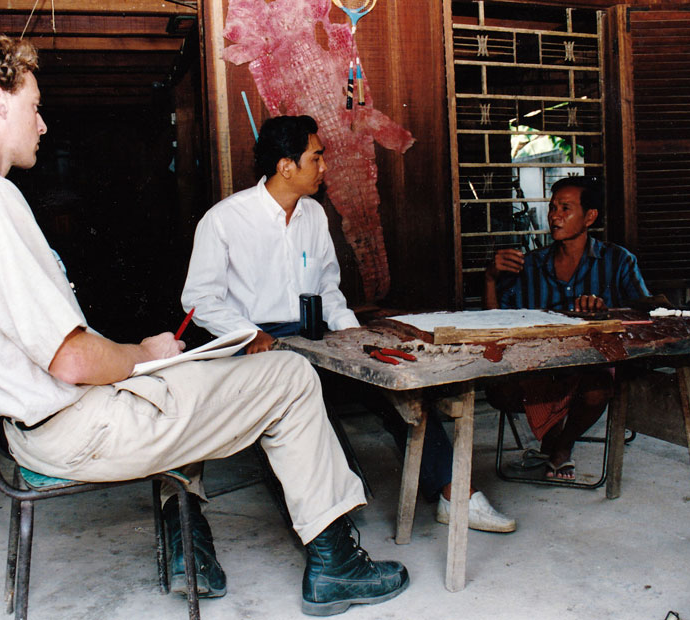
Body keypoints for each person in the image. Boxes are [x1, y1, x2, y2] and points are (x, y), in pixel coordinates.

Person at [0, 33, 409, 617]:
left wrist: (157, 361)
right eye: (34, 106)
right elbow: (72, 359)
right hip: (80, 428)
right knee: (289, 378)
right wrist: (144, 353)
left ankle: (188, 543)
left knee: (194, 377)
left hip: (41, 426)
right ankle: (336, 568)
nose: (42, 125)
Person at [182, 115, 515, 533]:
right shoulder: (225, 219)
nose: (324, 168)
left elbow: (327, 286)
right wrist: (251, 333)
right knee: (306, 404)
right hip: (255, 341)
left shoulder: (314, 216)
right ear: (287, 166)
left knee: (395, 378)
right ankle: (331, 520)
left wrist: (351, 334)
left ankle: (455, 495)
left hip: (313, 331)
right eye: (316, 158)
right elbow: (199, 299)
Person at [483, 175, 650, 480]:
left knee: (599, 387)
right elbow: (493, 324)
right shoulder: (530, 265)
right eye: (552, 208)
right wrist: (491, 278)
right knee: (498, 390)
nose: (554, 216)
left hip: (590, 369)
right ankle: (552, 436)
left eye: (565, 208)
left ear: (589, 217)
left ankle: (562, 445)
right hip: (539, 369)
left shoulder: (618, 261)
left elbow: (645, 317)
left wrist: (605, 313)